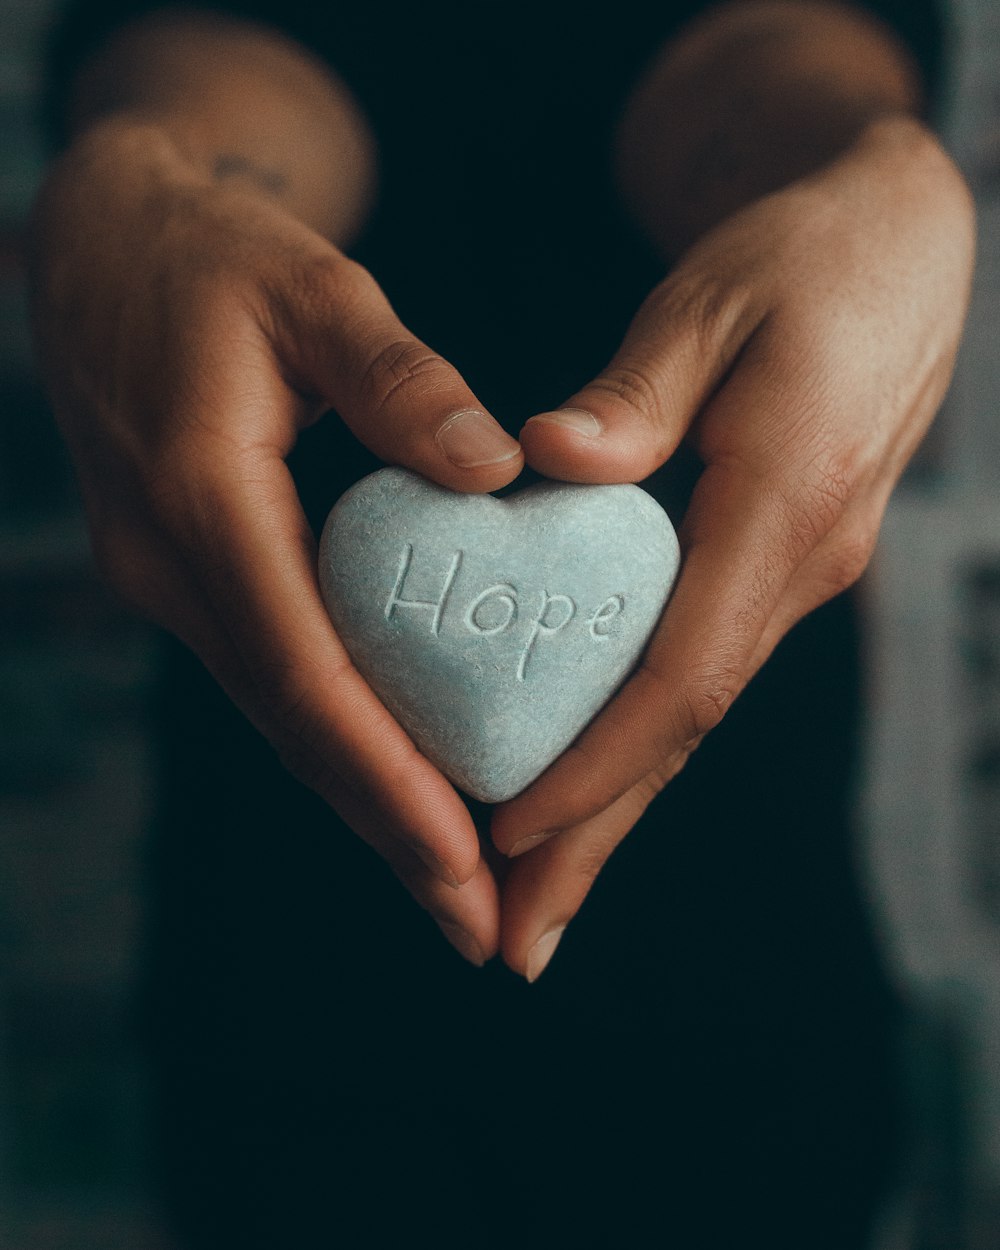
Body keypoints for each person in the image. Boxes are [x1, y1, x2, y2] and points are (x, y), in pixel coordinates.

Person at [30, 1, 973, 1245]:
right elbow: (225, 66)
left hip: (745, 982)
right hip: (281, 1000)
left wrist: (870, 165)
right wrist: (149, 173)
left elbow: (763, 72)